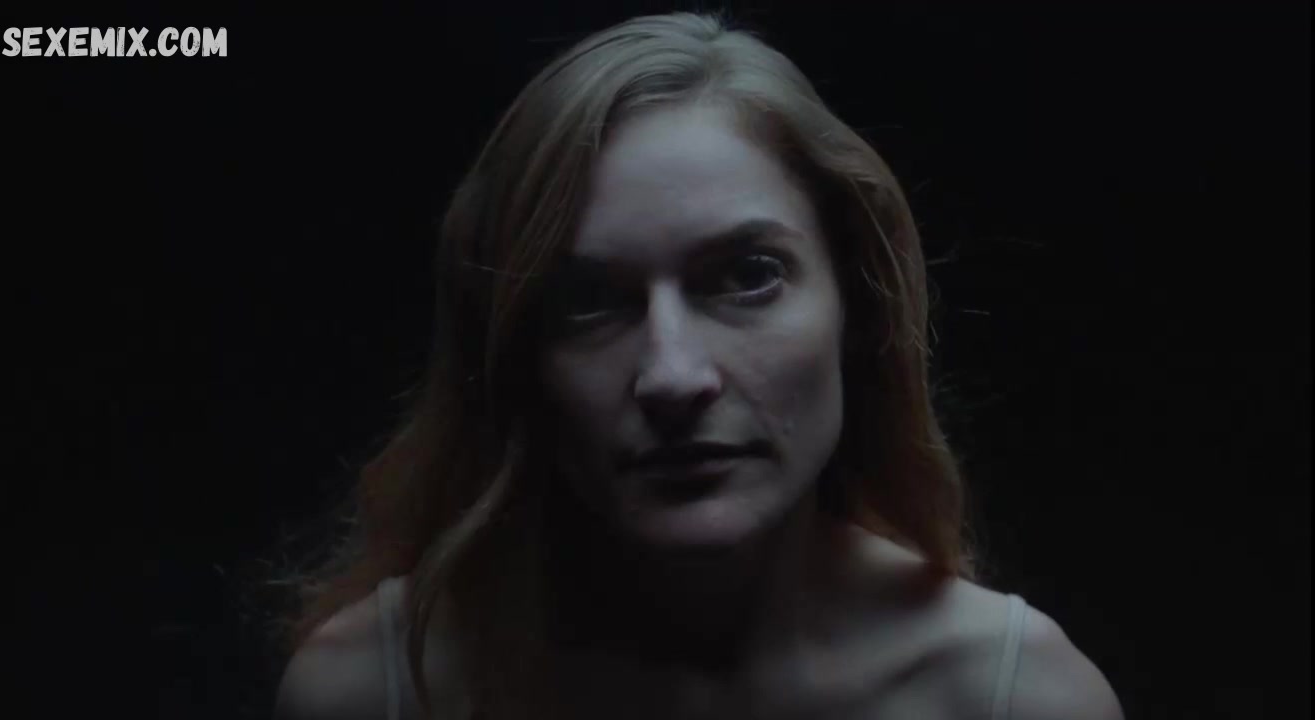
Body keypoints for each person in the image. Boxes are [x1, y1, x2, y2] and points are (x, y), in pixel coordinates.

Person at [272, 10, 1124, 720]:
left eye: (749, 276)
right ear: (512, 357)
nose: (674, 378)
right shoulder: (374, 693)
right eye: (589, 302)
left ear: (858, 308)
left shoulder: (1014, 700)